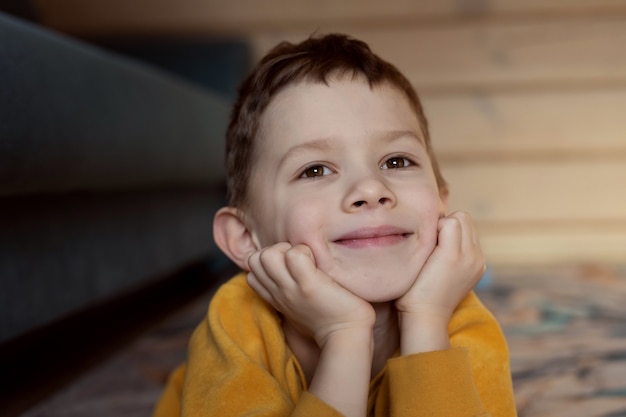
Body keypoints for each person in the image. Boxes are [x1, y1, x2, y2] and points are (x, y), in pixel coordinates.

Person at [153, 33, 517, 417]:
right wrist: (344, 335)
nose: (371, 189)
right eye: (315, 169)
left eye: (396, 161)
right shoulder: (237, 322)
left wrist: (426, 321)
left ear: (441, 203)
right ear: (245, 238)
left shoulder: (460, 320)